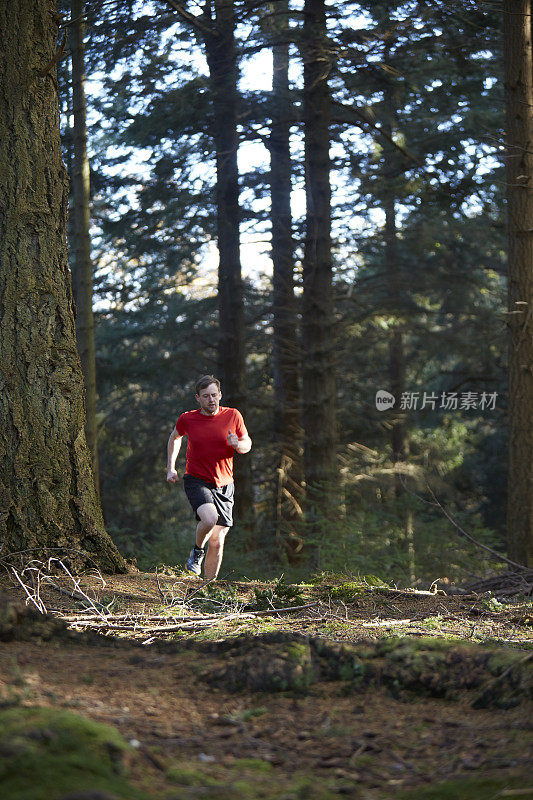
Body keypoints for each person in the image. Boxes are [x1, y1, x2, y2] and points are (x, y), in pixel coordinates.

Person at [166, 375, 252, 580]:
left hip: (224, 484)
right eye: (206, 396)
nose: (211, 400)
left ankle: (207, 588)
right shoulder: (188, 418)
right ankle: (197, 551)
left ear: (220, 395)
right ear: (198, 398)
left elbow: (246, 444)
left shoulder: (233, 415)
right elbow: (175, 437)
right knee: (210, 518)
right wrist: (171, 468)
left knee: (217, 540)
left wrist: (236, 445)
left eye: (214, 395)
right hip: (197, 480)